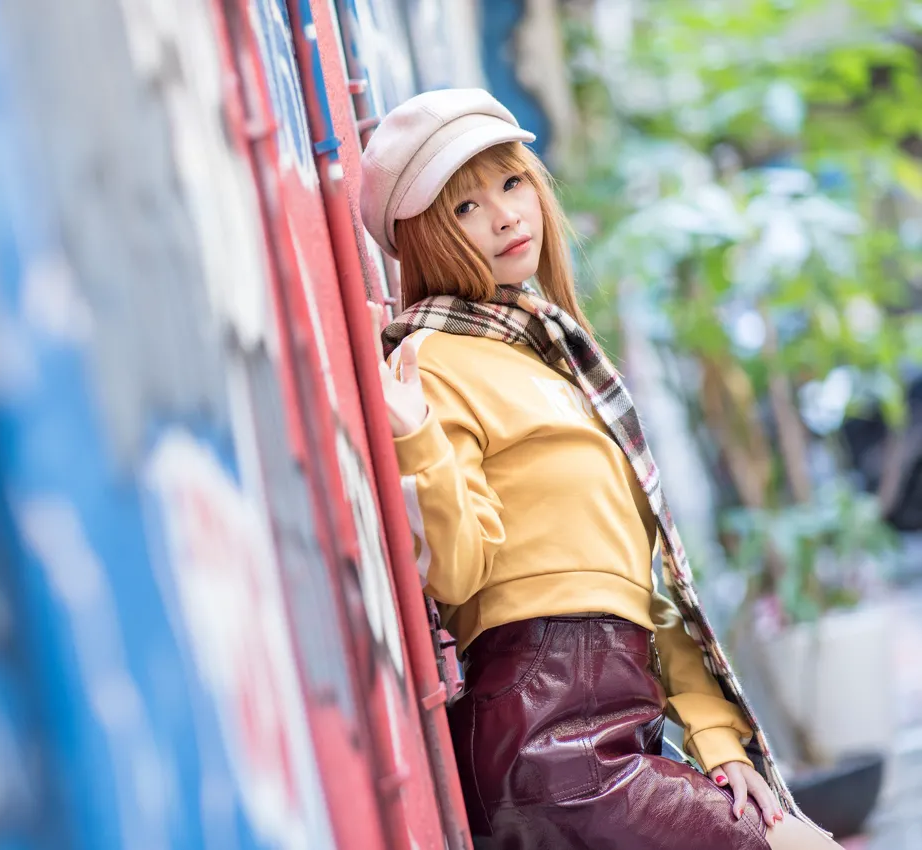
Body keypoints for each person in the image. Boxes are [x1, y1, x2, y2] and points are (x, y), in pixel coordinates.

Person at [359, 89, 842, 849]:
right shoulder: (434, 361)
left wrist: (714, 734)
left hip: (615, 711)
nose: (506, 216)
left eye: (512, 182)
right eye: (466, 208)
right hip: (544, 736)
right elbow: (454, 572)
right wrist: (415, 434)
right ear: (423, 237)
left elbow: (639, 580)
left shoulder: (552, 357)